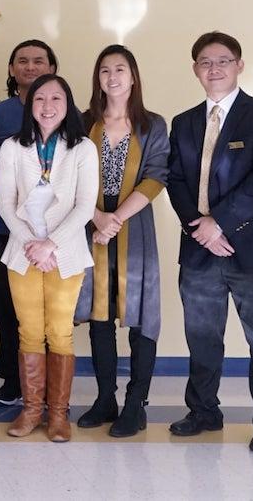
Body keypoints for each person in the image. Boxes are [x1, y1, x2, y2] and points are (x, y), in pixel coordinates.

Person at [165, 32, 253, 454]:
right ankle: (203, 411)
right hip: (199, 249)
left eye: (223, 60)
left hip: (252, 250)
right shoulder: (183, 123)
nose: (214, 68)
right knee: (202, 337)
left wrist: (218, 224)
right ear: (195, 69)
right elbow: (175, 181)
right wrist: (199, 228)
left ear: (239, 65)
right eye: (205, 61)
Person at [0, 74, 97, 443]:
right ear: (30, 104)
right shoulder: (12, 147)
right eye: (40, 98)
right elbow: (5, 205)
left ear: (68, 104)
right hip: (23, 252)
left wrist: (50, 244)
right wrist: (32, 245)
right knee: (29, 331)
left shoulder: (83, 148)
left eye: (56, 98)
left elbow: (85, 206)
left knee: (60, 332)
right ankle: (31, 410)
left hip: (65, 253)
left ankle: (58, 415)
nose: (47, 106)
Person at [74, 45, 169, 438]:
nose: (112, 77)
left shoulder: (152, 124)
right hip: (90, 224)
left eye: (120, 69)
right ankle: (105, 399)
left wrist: (114, 220)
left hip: (135, 227)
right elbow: (69, 176)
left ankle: (136, 403)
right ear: (97, 78)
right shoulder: (83, 122)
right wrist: (97, 217)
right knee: (100, 314)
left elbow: (156, 175)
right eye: (105, 70)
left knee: (140, 313)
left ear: (133, 76)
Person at [0, 39, 58, 406]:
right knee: (9, 305)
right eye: (23, 61)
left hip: (54, 233)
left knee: (50, 310)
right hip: (7, 228)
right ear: (12, 70)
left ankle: (50, 387)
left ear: (52, 68)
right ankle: (14, 381)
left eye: (38, 61)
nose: (31, 67)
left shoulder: (66, 111)